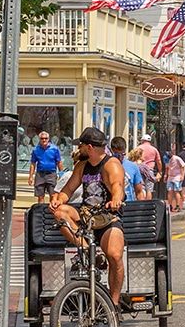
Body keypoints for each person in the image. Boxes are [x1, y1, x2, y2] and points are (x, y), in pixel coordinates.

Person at [49, 127, 127, 307]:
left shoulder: (111, 164)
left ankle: (113, 303)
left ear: (90, 147)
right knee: (60, 213)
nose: (79, 149)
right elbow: (68, 190)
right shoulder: (82, 166)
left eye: (81, 145)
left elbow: (117, 185)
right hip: (86, 217)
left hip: (108, 218)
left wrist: (116, 199)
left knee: (115, 256)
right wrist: (58, 200)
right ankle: (87, 250)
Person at [29, 131, 63, 201]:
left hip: (51, 174)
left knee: (53, 195)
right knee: (40, 196)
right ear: (39, 139)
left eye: (46, 138)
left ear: (48, 139)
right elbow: (33, 163)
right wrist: (31, 176)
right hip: (40, 175)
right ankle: (40, 211)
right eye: (42, 138)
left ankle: (51, 211)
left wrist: (61, 174)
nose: (44, 140)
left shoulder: (54, 149)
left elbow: (59, 162)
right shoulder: (36, 150)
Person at [165, 148, 185, 213]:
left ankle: (177, 205)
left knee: (176, 191)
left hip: (177, 177)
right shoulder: (166, 160)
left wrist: (182, 175)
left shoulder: (177, 158)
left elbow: (183, 166)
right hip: (170, 177)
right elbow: (167, 167)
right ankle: (170, 205)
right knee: (170, 191)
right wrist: (166, 175)